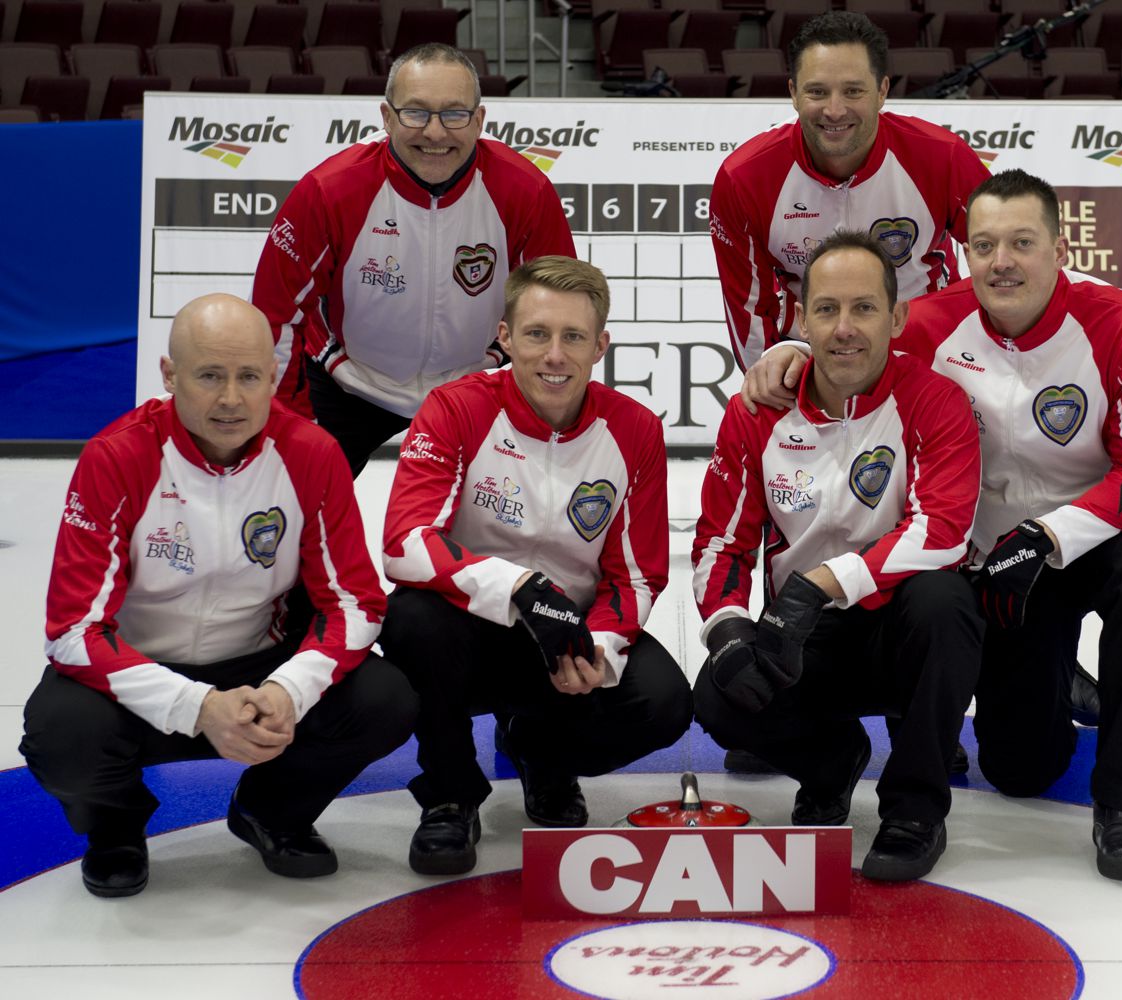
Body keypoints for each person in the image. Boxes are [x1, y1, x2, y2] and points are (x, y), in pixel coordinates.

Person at [745, 170, 1122, 882]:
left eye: (1021, 242)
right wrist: (789, 354)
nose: (1001, 261)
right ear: (966, 253)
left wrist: (1048, 538)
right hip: (988, 562)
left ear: (1059, 246)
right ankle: (1056, 675)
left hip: (1096, 540)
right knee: (1021, 770)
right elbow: (851, 346)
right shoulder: (928, 324)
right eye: (984, 245)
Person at [20, 294, 418, 898]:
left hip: (259, 667)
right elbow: (72, 631)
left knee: (385, 698)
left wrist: (290, 688)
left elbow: (356, 604)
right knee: (59, 733)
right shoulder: (115, 457)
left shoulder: (312, 453)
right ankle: (116, 829)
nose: (231, 398)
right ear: (170, 376)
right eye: (209, 376)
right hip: (140, 672)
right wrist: (199, 706)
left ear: (274, 378)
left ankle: (271, 811)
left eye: (248, 376)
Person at [379, 256, 692, 876]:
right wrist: (519, 588)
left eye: (573, 337)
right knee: (411, 619)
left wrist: (599, 650)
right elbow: (404, 543)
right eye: (537, 334)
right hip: (467, 625)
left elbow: (634, 575)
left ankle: (542, 753)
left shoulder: (633, 428)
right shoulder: (455, 408)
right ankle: (449, 794)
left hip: (565, 638)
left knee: (663, 704)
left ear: (600, 345)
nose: (555, 355)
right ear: (505, 337)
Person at [692, 231, 983, 882]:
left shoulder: (933, 401)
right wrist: (728, 627)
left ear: (897, 317)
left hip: (897, 626)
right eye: (826, 309)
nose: (844, 328)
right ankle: (830, 761)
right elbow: (721, 542)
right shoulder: (756, 411)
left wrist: (822, 582)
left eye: (864, 309)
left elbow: (942, 529)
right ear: (801, 320)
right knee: (715, 695)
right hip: (805, 636)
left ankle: (914, 810)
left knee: (945, 602)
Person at [252, 43, 576, 476]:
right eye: (416, 113)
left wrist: (544, 410)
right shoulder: (329, 191)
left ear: (479, 121)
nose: (436, 133)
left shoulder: (525, 190)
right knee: (288, 505)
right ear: (386, 118)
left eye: (455, 114)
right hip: (347, 382)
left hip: (474, 385)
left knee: (519, 524)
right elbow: (274, 315)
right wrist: (292, 424)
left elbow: (562, 310)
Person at [710, 10, 989, 373]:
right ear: (794, 93)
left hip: (929, 354)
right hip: (813, 359)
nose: (835, 110)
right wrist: (771, 375)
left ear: (882, 91)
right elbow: (748, 312)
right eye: (817, 92)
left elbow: (1000, 259)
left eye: (853, 91)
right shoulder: (744, 177)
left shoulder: (944, 157)